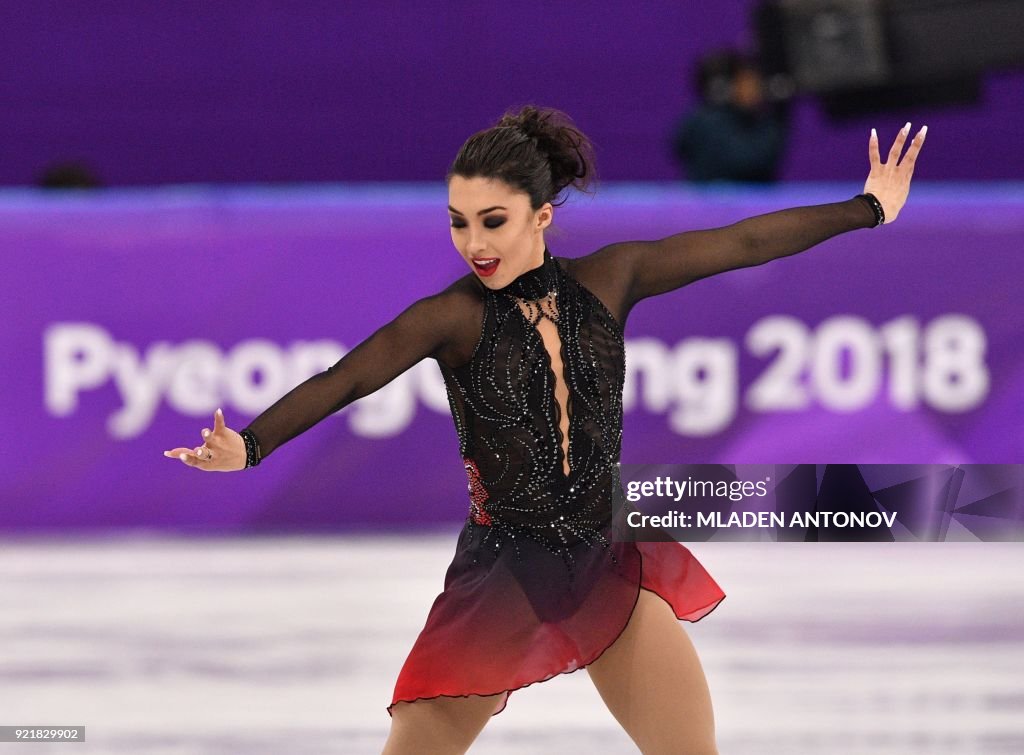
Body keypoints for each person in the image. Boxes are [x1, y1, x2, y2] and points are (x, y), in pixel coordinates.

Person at [164, 107, 926, 754]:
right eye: (459, 223)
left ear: (543, 215)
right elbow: (349, 376)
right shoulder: (451, 317)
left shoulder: (613, 277)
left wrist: (868, 209)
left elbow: (743, 242)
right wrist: (252, 445)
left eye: (493, 221)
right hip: (503, 571)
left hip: (604, 555)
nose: (474, 242)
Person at [671, 49, 790, 183]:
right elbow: (749, 162)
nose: (757, 87)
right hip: (727, 203)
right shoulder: (711, 123)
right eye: (747, 80)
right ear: (725, 87)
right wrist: (778, 114)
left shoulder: (748, 120)